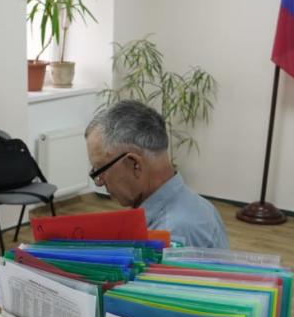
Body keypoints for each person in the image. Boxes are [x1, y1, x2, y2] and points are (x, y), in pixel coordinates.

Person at [85, 100, 229, 249]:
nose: (100, 182)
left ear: (135, 164)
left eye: (100, 170)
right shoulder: (193, 206)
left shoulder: (172, 233)